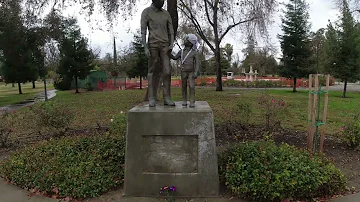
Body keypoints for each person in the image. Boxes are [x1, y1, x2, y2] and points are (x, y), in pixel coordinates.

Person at [141, 0, 175, 107]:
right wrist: (145, 47)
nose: (163, 1)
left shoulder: (166, 14)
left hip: (165, 46)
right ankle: (152, 98)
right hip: (153, 45)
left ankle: (167, 97)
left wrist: (171, 44)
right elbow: (143, 31)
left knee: (167, 71)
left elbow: (171, 31)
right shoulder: (146, 12)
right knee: (152, 71)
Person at [170, 34, 199, 108]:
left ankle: (192, 101)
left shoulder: (194, 52)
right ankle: (184, 100)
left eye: (186, 39)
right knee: (184, 86)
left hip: (191, 72)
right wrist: (168, 53)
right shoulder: (181, 51)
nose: (184, 41)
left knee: (192, 86)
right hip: (183, 71)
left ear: (190, 42)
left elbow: (197, 63)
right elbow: (175, 57)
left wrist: (196, 72)